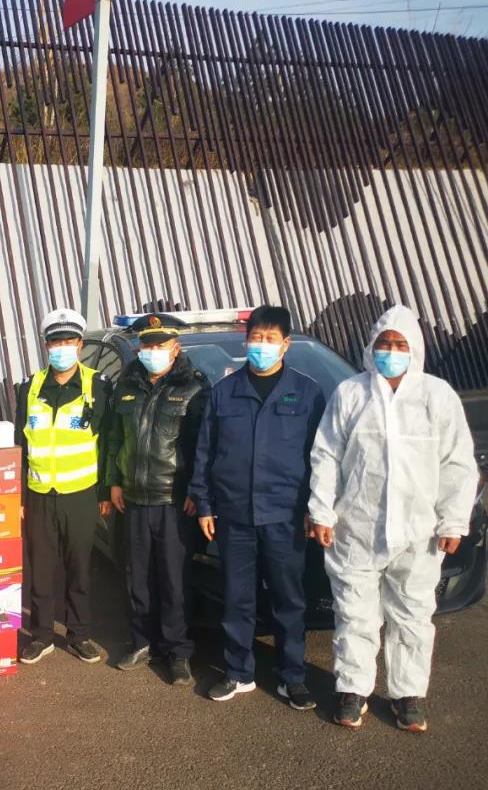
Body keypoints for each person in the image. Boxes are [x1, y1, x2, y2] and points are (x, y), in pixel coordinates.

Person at [308, 305, 478, 732]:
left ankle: (408, 695)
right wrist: (321, 510)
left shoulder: (437, 396)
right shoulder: (351, 393)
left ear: (415, 348)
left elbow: (457, 462)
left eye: (400, 344)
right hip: (356, 527)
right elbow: (326, 455)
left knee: (412, 615)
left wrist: (453, 520)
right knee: (355, 613)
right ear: (371, 346)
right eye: (384, 343)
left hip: (419, 531)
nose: (391, 351)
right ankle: (352, 689)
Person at [189, 305, 325, 710]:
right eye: (255, 338)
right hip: (234, 515)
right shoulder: (224, 391)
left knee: (289, 600)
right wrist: (205, 505)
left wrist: (315, 508)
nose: (261, 345)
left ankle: (292, 677)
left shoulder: (307, 392)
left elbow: (321, 458)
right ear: (246, 341)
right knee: (237, 598)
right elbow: (205, 453)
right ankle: (238, 672)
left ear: (286, 344)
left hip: (286, 515)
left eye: (270, 338)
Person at [107, 316, 210, 685]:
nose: (152, 351)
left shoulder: (194, 388)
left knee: (173, 580)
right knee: (137, 578)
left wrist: (197, 491)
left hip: (173, 500)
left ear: (175, 348)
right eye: (147, 345)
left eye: (159, 345)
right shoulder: (128, 384)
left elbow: (203, 447)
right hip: (133, 498)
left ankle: (177, 651)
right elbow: (115, 438)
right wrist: (113, 482)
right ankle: (142, 642)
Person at [16, 308, 114, 666]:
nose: (62, 348)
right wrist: (20, 496)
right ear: (46, 346)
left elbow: (108, 442)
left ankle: (79, 635)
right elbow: (21, 445)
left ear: (80, 345)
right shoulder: (30, 387)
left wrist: (104, 492)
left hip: (80, 495)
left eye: (69, 341)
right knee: (40, 569)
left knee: (79, 568)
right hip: (39, 495)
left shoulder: (98, 386)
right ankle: (41, 635)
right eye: (55, 342)